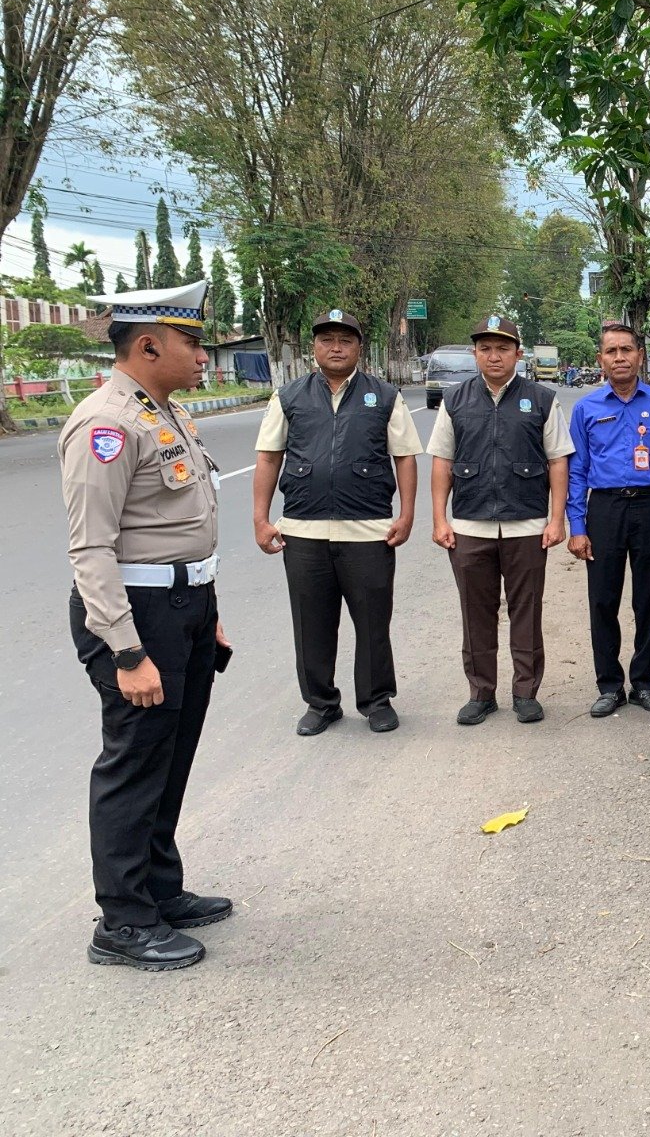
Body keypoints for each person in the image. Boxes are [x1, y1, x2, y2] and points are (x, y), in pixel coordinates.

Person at [61, 280, 234, 971]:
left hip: (184, 608)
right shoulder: (106, 424)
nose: (201, 356)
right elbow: (91, 550)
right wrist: (126, 650)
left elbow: (186, 528)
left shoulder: (167, 412)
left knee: (173, 754)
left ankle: (160, 890)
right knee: (134, 764)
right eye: (192, 343)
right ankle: (123, 921)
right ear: (149, 344)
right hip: (136, 618)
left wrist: (209, 614)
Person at [252, 308, 422, 736]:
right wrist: (260, 517)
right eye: (327, 339)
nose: (336, 347)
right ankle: (321, 703)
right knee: (311, 623)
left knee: (372, 621)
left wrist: (406, 514)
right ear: (314, 347)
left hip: (369, 531)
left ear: (359, 348)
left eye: (345, 340)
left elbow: (404, 456)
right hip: (303, 532)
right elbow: (269, 457)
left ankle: (376, 700)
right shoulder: (288, 397)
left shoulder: (384, 396)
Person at [429, 315, 573, 724]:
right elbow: (443, 461)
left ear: (518, 354)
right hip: (470, 526)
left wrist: (555, 518)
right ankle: (481, 693)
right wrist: (439, 519)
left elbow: (558, 460)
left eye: (503, 348)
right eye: (486, 348)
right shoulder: (455, 401)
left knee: (526, 612)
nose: (494, 356)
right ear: (475, 353)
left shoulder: (542, 400)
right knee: (476, 614)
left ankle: (525, 692)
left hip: (526, 526)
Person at [566, 320, 650, 717]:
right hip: (604, 509)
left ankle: (644, 683)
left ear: (640, 356)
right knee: (603, 599)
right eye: (611, 351)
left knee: (649, 598)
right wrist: (578, 526)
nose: (619, 358)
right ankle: (609, 685)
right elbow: (577, 471)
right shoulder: (586, 408)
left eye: (626, 350)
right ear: (600, 360)